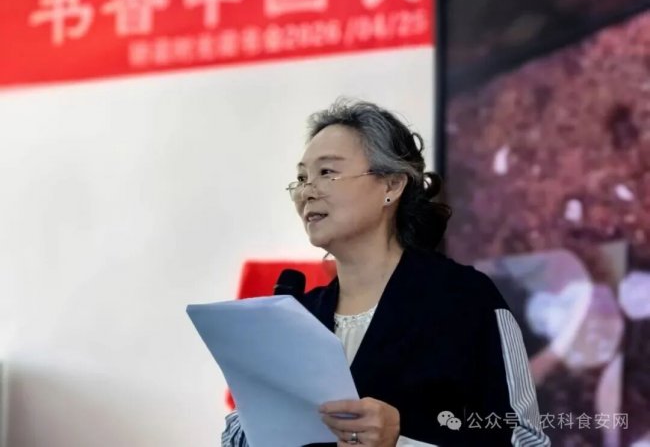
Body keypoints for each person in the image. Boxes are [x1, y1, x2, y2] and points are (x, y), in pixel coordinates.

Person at [222, 99, 550, 446]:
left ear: (391, 185)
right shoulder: (298, 317)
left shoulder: (465, 298)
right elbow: (234, 438)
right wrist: (260, 401)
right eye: (302, 177)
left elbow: (525, 440)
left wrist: (400, 443)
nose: (307, 191)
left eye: (327, 172)